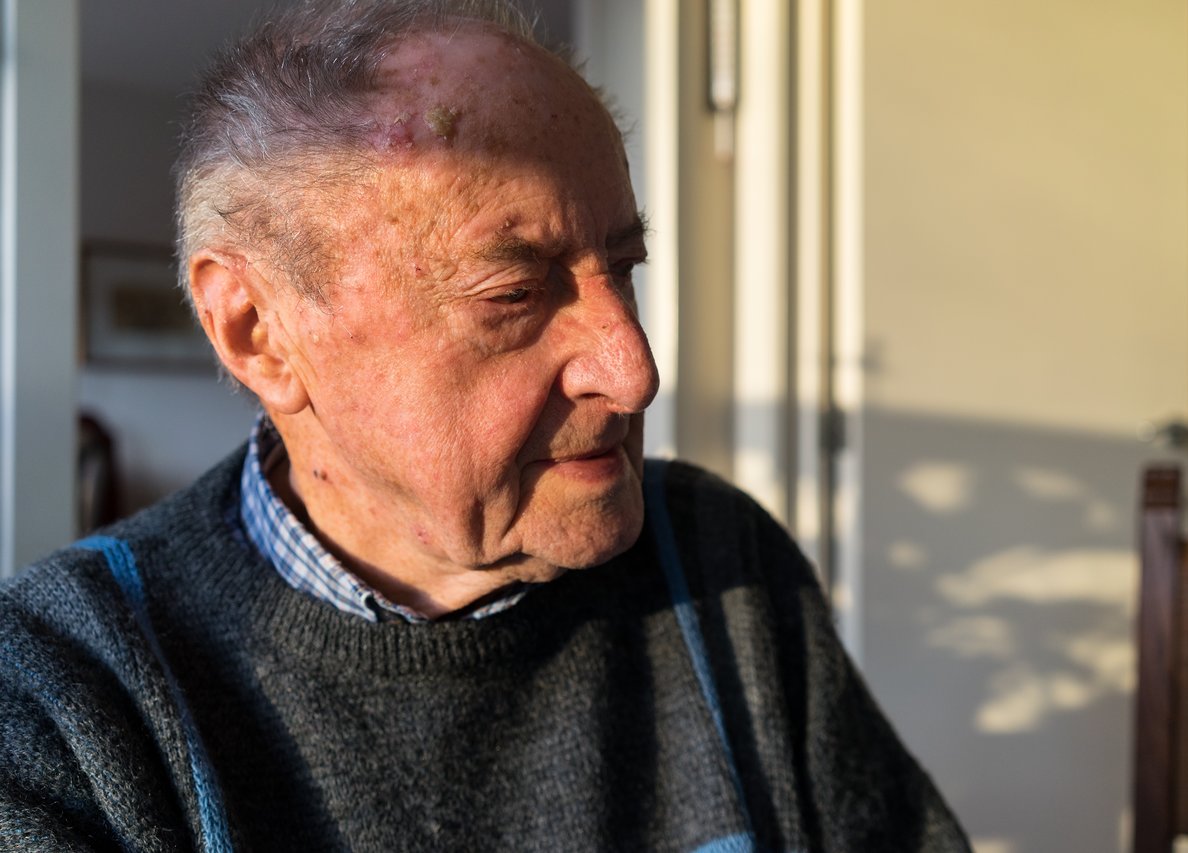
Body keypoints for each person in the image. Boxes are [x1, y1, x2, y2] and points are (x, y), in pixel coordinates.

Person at [0, 1, 969, 850]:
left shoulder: (716, 557)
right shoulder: (59, 694)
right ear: (260, 333)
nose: (632, 371)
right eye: (512, 292)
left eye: (621, 268)